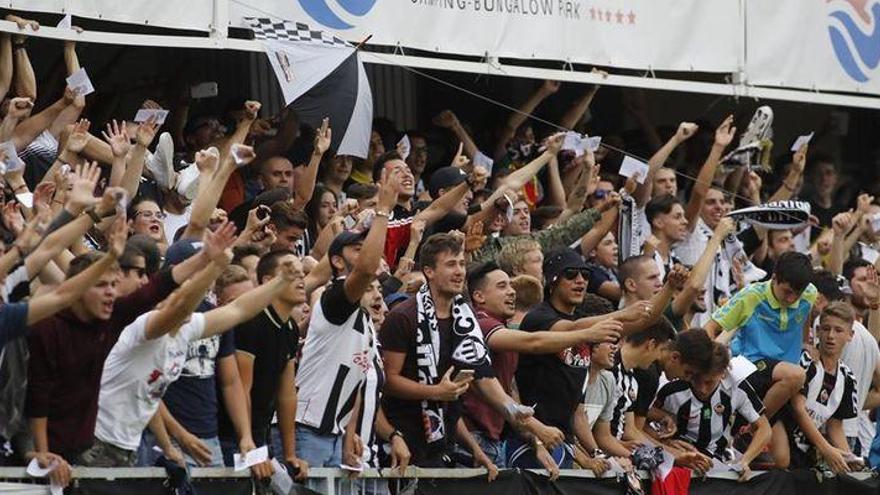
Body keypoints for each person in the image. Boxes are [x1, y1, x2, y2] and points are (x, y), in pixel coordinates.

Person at [82, 222, 290, 467]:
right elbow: (181, 305)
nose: (196, 301)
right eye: (188, 292)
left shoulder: (188, 328)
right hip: (98, 444)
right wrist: (214, 267)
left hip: (129, 446)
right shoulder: (145, 327)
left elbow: (238, 309)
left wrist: (280, 282)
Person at [379, 233, 533, 473]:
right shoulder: (403, 317)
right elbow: (389, 381)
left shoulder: (464, 319)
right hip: (403, 445)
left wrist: (476, 451)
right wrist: (436, 391)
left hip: (444, 447)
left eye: (462, 264)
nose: (460, 271)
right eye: (451, 264)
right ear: (429, 271)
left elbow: (452, 400)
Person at [462, 261, 624, 470]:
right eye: (502, 287)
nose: (512, 292)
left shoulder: (501, 330)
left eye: (511, 287)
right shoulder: (480, 325)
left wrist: (537, 440)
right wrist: (587, 334)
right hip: (471, 441)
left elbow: (511, 395)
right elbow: (534, 342)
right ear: (479, 296)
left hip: (493, 442)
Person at [294, 165, 399, 469]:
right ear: (337, 262)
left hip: (333, 433)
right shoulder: (335, 299)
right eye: (358, 247)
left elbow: (354, 383)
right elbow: (366, 269)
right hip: (306, 428)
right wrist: (382, 211)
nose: (367, 252)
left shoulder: (366, 320)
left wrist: (347, 436)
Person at [216, 249, 310, 480]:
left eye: (302, 273)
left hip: (260, 438)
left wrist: (290, 455)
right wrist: (252, 449)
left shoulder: (289, 328)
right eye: (291, 273)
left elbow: (286, 395)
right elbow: (241, 388)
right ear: (269, 281)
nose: (301, 279)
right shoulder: (252, 321)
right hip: (231, 438)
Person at [651, 343, 772, 482]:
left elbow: (764, 428)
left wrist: (744, 461)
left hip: (716, 465)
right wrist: (666, 443)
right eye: (697, 380)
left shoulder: (737, 386)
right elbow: (641, 421)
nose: (702, 389)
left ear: (723, 374)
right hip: (676, 458)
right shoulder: (672, 385)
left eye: (709, 382)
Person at [775, 301, 860, 473]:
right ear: (817, 330)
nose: (830, 335)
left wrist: (847, 458)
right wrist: (826, 448)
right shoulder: (806, 361)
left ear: (850, 335)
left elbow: (835, 426)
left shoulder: (848, 378)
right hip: (782, 438)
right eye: (826, 328)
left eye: (838, 330)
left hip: (808, 452)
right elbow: (798, 409)